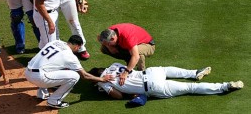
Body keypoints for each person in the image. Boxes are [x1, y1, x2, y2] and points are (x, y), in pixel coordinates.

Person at [25, 35, 113, 109]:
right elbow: (84, 76)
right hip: (40, 78)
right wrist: (101, 79)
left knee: (50, 65)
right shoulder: (70, 56)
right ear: (77, 46)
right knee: (75, 76)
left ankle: (42, 94)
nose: (78, 50)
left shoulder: (55, 42)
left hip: (27, 72)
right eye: (78, 48)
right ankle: (54, 101)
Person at [89, 62, 244, 102]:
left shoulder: (104, 82)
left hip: (152, 87)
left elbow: (117, 96)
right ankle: (194, 72)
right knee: (167, 69)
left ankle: (224, 86)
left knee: (190, 88)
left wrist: (100, 84)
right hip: (151, 72)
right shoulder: (114, 66)